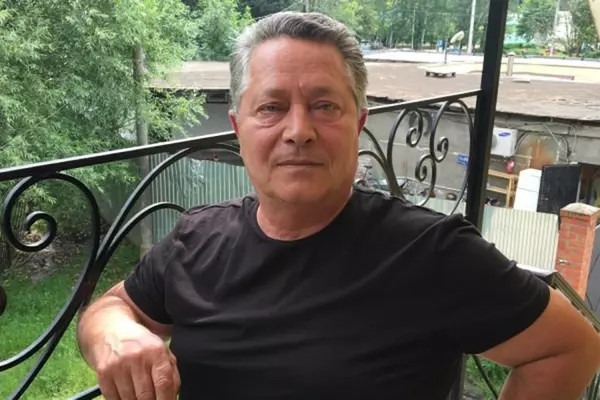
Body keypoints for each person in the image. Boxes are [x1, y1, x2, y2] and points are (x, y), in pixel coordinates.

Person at [77, 11, 600, 400]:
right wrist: (115, 334)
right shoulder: (196, 238)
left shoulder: (431, 253)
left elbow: (571, 347)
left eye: (324, 106)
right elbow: (108, 311)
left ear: (358, 123)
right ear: (238, 128)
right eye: (271, 107)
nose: (298, 131)